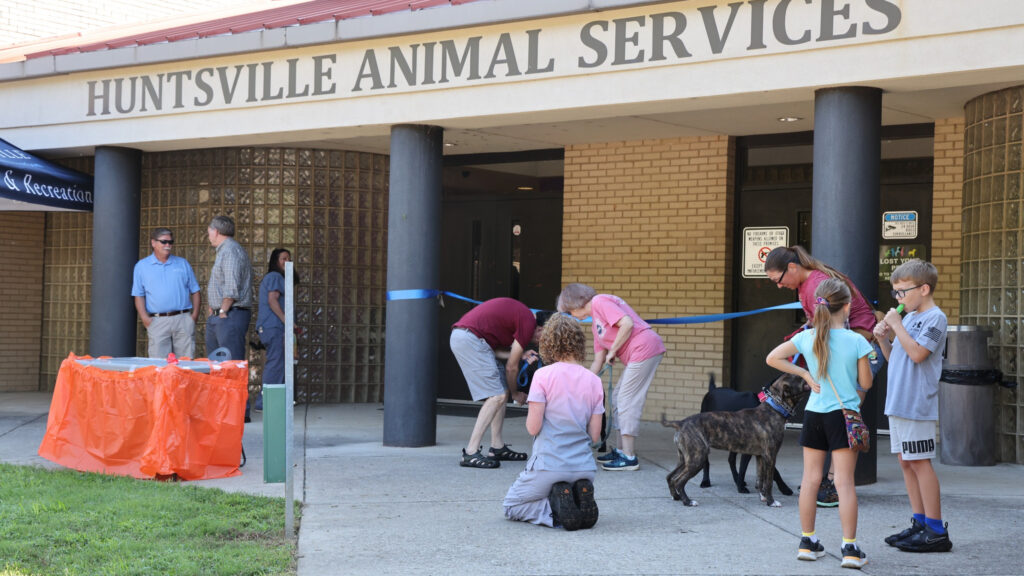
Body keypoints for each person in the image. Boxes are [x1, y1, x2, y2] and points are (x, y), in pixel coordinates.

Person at [766, 278, 873, 570]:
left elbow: (772, 357)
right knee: (844, 482)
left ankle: (807, 541)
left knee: (810, 479)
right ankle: (850, 548)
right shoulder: (857, 341)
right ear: (847, 307)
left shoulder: (806, 337)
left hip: (814, 414)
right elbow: (865, 383)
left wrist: (804, 374)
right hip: (843, 415)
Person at [764, 245, 882, 507]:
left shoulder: (816, 284)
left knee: (847, 418)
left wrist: (805, 362)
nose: (779, 286)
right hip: (853, 350)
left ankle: (832, 484)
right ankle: (830, 482)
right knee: (843, 418)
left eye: (778, 280)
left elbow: (837, 331)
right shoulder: (808, 283)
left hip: (862, 347)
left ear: (792, 267)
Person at [872, 259, 952, 553]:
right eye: (895, 292)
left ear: (924, 289)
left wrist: (896, 325)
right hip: (898, 400)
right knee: (906, 462)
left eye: (903, 291)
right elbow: (897, 358)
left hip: (916, 402)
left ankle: (936, 529)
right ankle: (920, 522)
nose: (898, 298)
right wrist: (884, 340)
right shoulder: (908, 318)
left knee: (919, 462)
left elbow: (918, 354)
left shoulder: (935, 318)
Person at [502, 313, 604, 530]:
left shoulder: (542, 376)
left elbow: (533, 428)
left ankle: (555, 509)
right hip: (585, 468)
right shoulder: (594, 381)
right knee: (564, 490)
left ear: (548, 343)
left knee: (512, 505)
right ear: (579, 343)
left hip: (550, 465)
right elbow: (595, 436)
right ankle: (576, 499)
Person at [557, 283, 665, 471]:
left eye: (569, 312)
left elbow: (627, 323)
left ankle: (629, 457)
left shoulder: (599, 301)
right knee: (616, 397)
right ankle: (621, 451)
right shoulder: (595, 325)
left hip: (645, 347)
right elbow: (598, 360)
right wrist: (583, 384)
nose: (572, 316)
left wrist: (613, 351)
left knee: (626, 400)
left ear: (575, 304)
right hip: (637, 353)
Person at [451, 297, 544, 468]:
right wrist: (516, 394)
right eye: (544, 337)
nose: (542, 342)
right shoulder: (528, 322)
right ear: (540, 329)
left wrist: (520, 354)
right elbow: (511, 368)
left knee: (501, 391)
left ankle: (497, 447)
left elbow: (497, 351)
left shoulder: (522, 318)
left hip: (473, 339)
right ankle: (470, 452)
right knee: (497, 396)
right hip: (470, 339)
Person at [205, 215, 254, 416]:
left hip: (230, 315)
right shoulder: (224, 251)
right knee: (217, 367)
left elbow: (231, 288)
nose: (208, 234)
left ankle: (237, 412)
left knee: (231, 365)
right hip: (221, 316)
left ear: (216, 231)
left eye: (209, 230)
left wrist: (222, 310)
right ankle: (223, 411)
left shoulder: (231, 251)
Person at [131, 227, 201, 359]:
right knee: (159, 364)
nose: (168, 245)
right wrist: (145, 318)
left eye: (170, 242)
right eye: (164, 242)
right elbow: (138, 295)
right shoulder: (141, 266)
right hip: (157, 321)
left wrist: (194, 316)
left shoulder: (182, 263)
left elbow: (195, 291)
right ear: (153, 242)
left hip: (182, 319)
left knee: (186, 363)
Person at [254, 248, 296, 412]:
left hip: (271, 327)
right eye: (283, 259)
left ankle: (274, 401)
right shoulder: (275, 276)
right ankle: (264, 403)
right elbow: (273, 300)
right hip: (273, 326)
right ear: (275, 261)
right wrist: (287, 321)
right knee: (276, 364)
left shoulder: (277, 277)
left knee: (277, 363)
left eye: (289, 258)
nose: (287, 261)